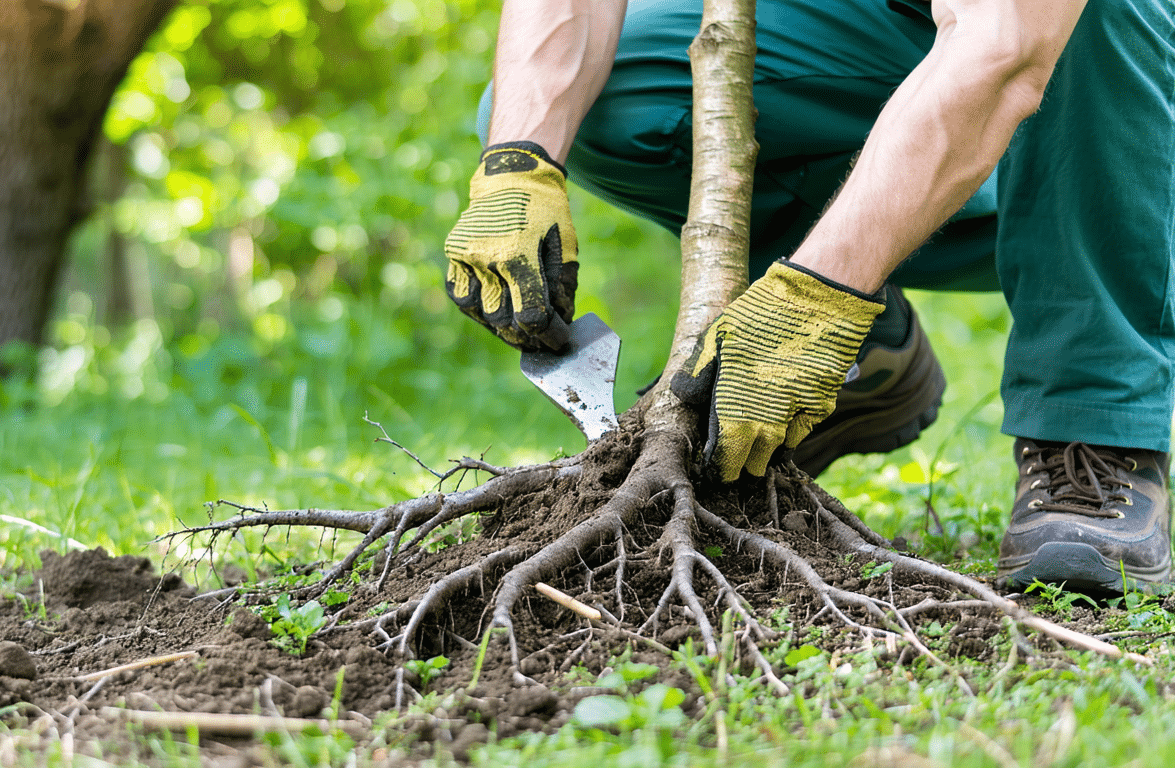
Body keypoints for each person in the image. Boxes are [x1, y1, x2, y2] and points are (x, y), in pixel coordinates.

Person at [442, 0, 1175, 594]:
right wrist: (519, 162)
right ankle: (857, 357)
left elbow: (1007, 43)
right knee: (618, 93)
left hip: (1120, 111)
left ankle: (1097, 429)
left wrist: (822, 294)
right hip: (893, 33)